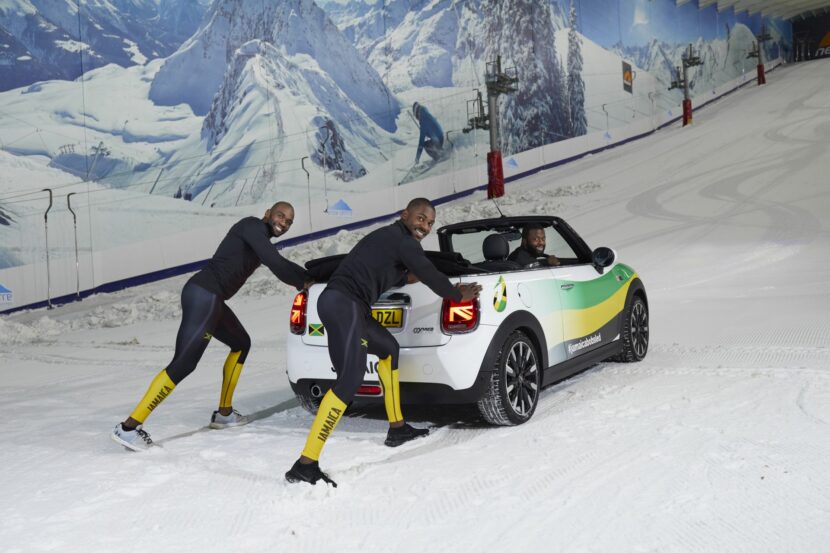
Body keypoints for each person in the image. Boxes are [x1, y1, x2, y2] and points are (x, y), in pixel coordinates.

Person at [285, 198, 482, 487]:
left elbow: (399, 273)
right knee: (348, 383)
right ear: (405, 215)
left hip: (346, 305)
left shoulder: (389, 239)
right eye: (420, 218)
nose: (425, 226)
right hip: (344, 304)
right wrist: (455, 294)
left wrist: (408, 276)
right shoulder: (403, 243)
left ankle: (397, 428)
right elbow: (427, 272)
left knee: (388, 349)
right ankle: (306, 463)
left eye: (429, 223)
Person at [111, 202, 311, 451]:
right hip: (203, 294)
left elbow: (280, 262)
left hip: (211, 299)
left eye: (289, 221)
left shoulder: (260, 238)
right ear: (268, 213)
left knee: (241, 344)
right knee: (183, 364)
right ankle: (129, 428)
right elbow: (276, 263)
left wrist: (309, 277)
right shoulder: (251, 226)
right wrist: (305, 281)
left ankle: (224, 414)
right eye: (281, 215)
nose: (284, 222)